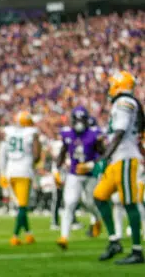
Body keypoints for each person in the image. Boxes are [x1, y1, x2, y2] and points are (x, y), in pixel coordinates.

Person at [93, 71, 144, 265]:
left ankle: (137, 251)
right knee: (99, 196)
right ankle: (114, 241)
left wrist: (104, 157)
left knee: (129, 203)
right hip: (118, 158)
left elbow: (121, 131)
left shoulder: (124, 102)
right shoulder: (122, 103)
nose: (109, 88)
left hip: (125, 158)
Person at [56, 106, 103, 250]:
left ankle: (98, 219)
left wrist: (91, 164)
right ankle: (64, 237)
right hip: (74, 174)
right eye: (76, 119)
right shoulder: (67, 134)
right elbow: (63, 152)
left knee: (91, 203)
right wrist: (56, 169)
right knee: (70, 203)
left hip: (90, 175)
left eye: (81, 119)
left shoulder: (94, 134)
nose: (78, 123)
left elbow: (103, 153)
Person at [0, 111, 40, 246]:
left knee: (20, 205)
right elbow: (37, 154)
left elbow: (2, 151)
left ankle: (29, 234)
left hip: (10, 171)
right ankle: (15, 236)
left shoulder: (9, 132)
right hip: (24, 171)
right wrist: (33, 163)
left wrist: (2, 172)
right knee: (22, 206)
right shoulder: (31, 133)